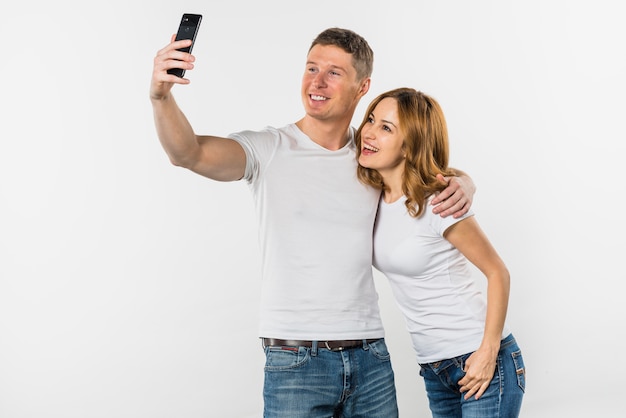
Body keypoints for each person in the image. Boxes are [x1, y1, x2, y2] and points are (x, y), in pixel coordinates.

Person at [150, 27, 475, 417]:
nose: (316, 82)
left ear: (362, 86)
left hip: (371, 357)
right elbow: (189, 153)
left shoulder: (370, 156)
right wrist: (160, 95)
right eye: (311, 68)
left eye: (334, 72)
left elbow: (422, 172)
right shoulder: (269, 149)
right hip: (295, 363)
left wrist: (465, 182)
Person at [355, 87, 525, 417]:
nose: (369, 133)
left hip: (479, 357)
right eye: (371, 120)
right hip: (434, 369)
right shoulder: (371, 198)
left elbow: (497, 272)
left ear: (409, 146)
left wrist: (488, 351)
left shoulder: (439, 202)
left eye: (386, 128)